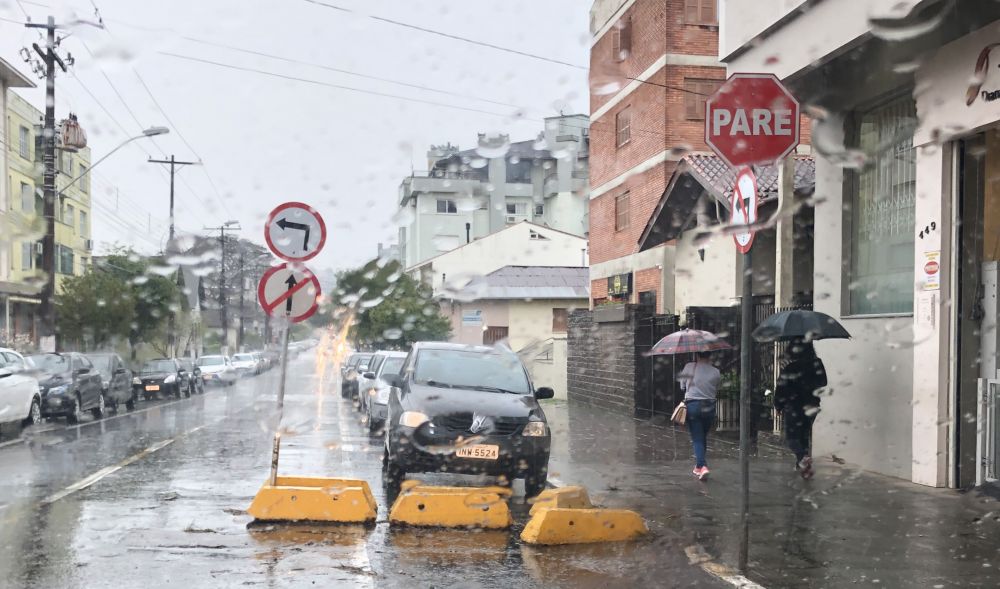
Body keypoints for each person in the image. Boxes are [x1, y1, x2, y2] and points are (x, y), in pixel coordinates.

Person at [773, 340, 827, 479]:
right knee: (804, 436)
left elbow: (781, 388)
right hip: (812, 406)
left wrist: (778, 405)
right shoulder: (817, 363)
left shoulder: (791, 367)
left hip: (794, 406)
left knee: (791, 438)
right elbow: (823, 382)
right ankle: (803, 467)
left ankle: (802, 458)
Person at [678, 351, 721, 481]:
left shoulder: (689, 367)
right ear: (710, 356)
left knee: (697, 438)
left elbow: (682, 386)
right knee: (702, 436)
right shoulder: (716, 372)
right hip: (710, 407)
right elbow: (716, 388)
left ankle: (703, 466)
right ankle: (698, 466)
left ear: (697, 355)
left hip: (693, 405)